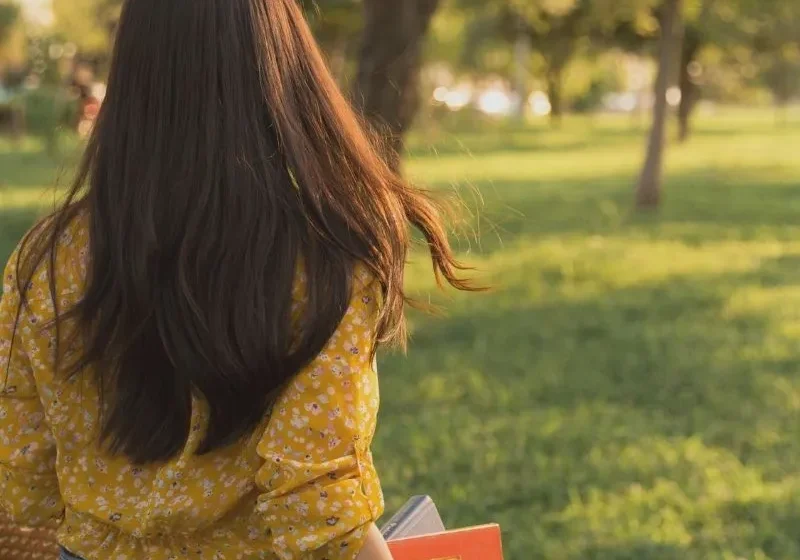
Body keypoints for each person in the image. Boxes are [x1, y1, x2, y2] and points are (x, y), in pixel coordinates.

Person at [0, 0, 473, 559]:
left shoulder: (49, 256)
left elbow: (24, 482)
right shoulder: (323, 259)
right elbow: (317, 506)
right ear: (282, 70)